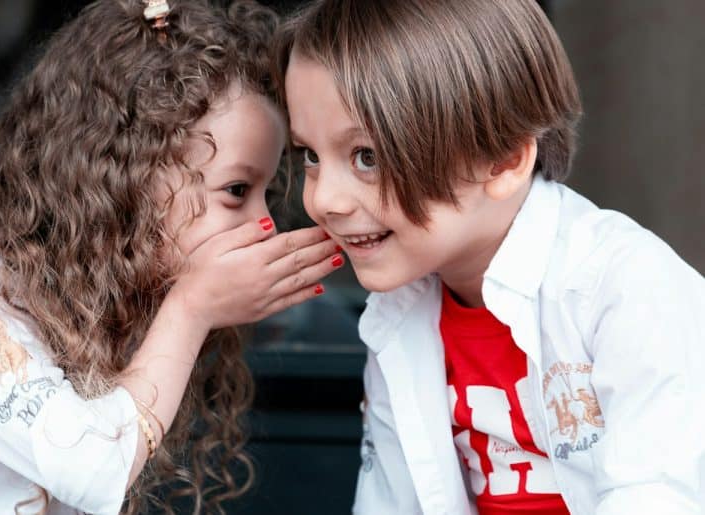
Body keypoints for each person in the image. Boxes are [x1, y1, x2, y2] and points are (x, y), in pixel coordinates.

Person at [0, 1, 344, 513]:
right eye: (235, 191)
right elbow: (92, 468)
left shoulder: (89, 303)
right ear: (127, 178)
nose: (259, 225)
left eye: (265, 197)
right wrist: (192, 309)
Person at [275, 0, 705, 513]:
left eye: (367, 157)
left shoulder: (626, 289)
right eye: (311, 156)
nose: (324, 200)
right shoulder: (398, 315)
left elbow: (658, 497)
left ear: (503, 160)